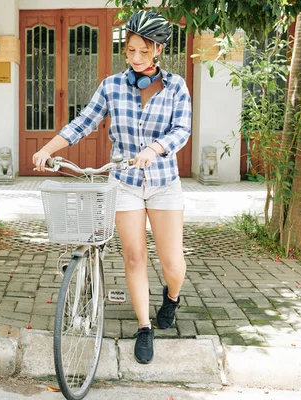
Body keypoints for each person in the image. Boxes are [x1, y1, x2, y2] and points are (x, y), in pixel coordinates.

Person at [32, 10, 191, 364]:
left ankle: (172, 298)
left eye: (143, 53)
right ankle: (144, 326)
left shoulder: (176, 86)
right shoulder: (112, 85)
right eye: (130, 51)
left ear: (158, 51)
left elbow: (181, 131)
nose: (135, 59)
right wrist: (47, 148)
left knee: (173, 264)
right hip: (125, 183)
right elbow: (83, 123)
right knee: (134, 255)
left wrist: (154, 149)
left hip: (164, 183)